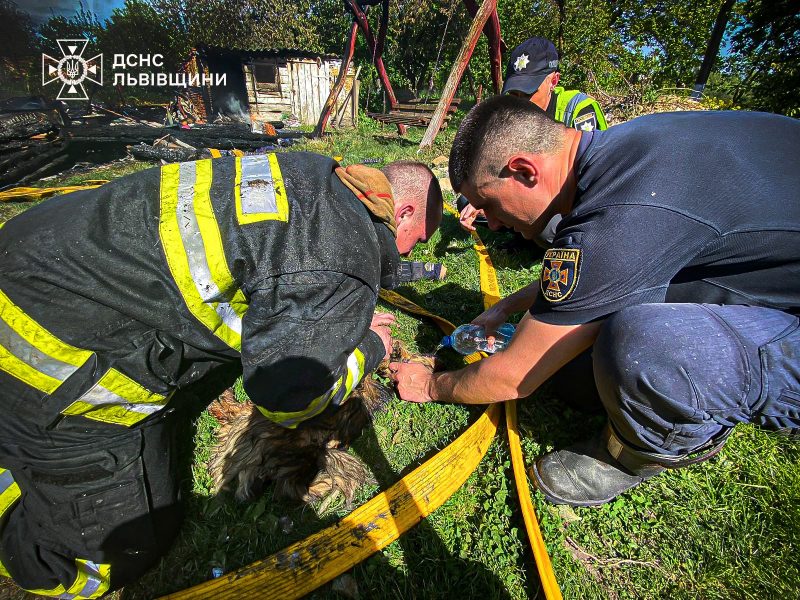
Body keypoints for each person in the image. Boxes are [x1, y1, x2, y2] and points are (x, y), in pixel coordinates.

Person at [0, 153, 442, 596]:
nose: (407, 253)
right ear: (401, 213)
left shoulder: (316, 174)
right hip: (41, 348)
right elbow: (289, 402)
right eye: (415, 240)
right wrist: (370, 347)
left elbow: (281, 271)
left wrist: (329, 319)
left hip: (40, 252)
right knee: (119, 554)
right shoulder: (342, 257)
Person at [392, 94, 800, 509]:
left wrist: (430, 385)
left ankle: (635, 453)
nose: (492, 223)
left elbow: (514, 376)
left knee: (646, 345)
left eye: (489, 206)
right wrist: (503, 308)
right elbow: (605, 269)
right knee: (577, 366)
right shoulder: (622, 153)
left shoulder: (623, 213)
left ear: (523, 171)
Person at [458, 36, 607, 246]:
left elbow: (592, 182)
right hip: (528, 193)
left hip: (568, 203)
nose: (520, 102)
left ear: (553, 81)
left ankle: (542, 236)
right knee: (469, 199)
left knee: (545, 229)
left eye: (528, 93)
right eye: (515, 93)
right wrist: (482, 198)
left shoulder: (578, 109)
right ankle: (523, 230)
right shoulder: (513, 114)